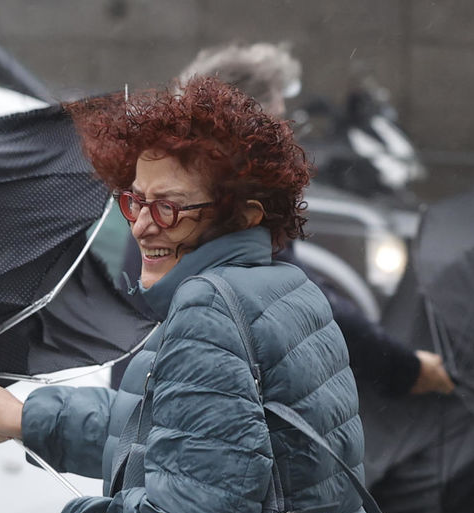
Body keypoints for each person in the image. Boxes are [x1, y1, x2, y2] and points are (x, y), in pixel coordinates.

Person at [0, 77, 409, 513]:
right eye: (133, 200)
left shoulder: (207, 311)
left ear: (245, 213)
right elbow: (178, 436)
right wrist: (30, 416)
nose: (142, 224)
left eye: (169, 208)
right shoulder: (281, 289)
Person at [162, 42, 454, 397]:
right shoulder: (238, 197)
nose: (288, 130)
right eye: (280, 116)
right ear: (246, 117)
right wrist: (406, 368)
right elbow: (306, 302)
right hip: (214, 398)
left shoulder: (169, 185)